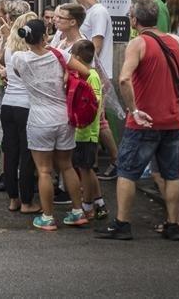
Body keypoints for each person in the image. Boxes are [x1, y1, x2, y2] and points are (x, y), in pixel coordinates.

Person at [97, 0, 179, 241]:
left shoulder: (138, 43)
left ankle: (122, 224)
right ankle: (173, 224)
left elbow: (124, 79)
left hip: (144, 121)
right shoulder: (174, 42)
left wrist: (134, 109)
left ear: (135, 20)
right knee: (171, 175)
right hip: (173, 120)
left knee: (127, 172)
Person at [10, 19, 87, 231]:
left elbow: (18, 75)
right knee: (67, 165)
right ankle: (77, 211)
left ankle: (48, 216)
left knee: (44, 170)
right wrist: (66, 75)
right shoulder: (59, 55)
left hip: (39, 118)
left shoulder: (19, 59)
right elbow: (87, 73)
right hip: (63, 116)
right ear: (45, 36)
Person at [74, 0, 122, 180]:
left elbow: (96, 45)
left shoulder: (99, 12)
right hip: (90, 72)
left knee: (99, 121)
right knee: (95, 121)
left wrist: (87, 70)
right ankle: (91, 164)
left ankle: (117, 160)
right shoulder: (92, 12)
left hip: (95, 73)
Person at [0, 11, 40, 214]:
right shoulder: (31, 54)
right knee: (27, 155)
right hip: (26, 106)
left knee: (10, 154)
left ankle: (13, 199)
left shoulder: (9, 49)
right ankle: (26, 201)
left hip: (8, 104)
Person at [69, 40, 107, 221]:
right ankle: (99, 202)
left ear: (76, 58)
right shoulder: (89, 75)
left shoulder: (90, 76)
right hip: (84, 132)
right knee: (87, 168)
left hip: (85, 132)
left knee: (85, 170)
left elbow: (94, 103)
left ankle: (87, 205)